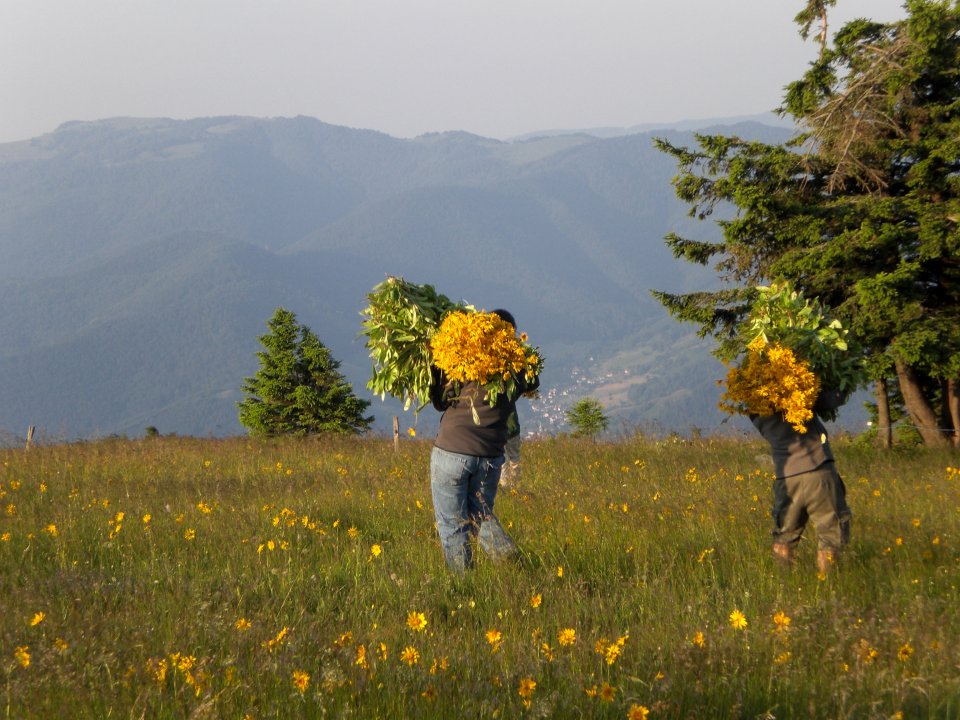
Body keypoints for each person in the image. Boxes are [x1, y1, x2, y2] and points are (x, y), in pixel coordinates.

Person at [428, 309, 540, 571]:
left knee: (451, 524)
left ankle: (463, 585)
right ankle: (511, 560)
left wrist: (438, 363)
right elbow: (533, 380)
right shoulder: (515, 370)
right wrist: (517, 353)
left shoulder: (464, 359)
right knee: (480, 516)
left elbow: (439, 401)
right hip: (490, 456)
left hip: (452, 449)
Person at [751, 389, 851, 574]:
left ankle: (785, 582)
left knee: (784, 536)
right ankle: (828, 583)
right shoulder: (798, 394)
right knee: (830, 535)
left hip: (787, 479)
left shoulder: (755, 410)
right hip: (818, 470)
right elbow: (830, 399)